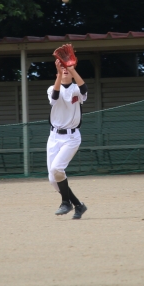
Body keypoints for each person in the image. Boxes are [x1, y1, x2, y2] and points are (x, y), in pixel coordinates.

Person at [46, 58, 88, 219]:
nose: (65, 69)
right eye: (62, 68)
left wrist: (71, 68)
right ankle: (78, 205)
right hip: (54, 137)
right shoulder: (52, 88)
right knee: (53, 178)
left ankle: (65, 202)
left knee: (57, 169)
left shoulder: (76, 89)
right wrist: (59, 74)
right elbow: (55, 97)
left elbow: (84, 89)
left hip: (71, 137)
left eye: (67, 68)